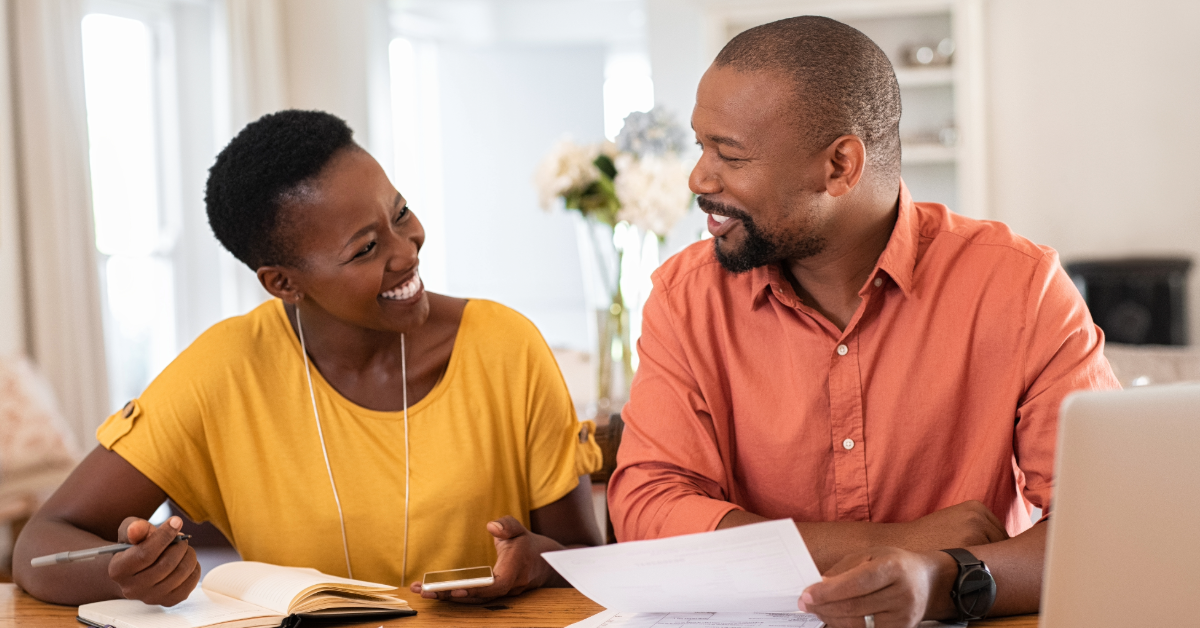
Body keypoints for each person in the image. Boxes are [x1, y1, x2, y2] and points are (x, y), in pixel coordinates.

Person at [607, 16, 1119, 628]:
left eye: (730, 154)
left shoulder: (1020, 287)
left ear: (841, 166)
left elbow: (1106, 530)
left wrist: (943, 578)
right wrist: (901, 539)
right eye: (701, 146)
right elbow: (646, 509)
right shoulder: (686, 298)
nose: (699, 179)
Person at [14, 110, 603, 606]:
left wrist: (534, 563)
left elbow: (584, 558)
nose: (407, 251)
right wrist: (127, 576)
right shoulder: (223, 370)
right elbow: (39, 545)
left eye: (399, 213)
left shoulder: (506, 346)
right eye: (367, 248)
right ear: (283, 284)